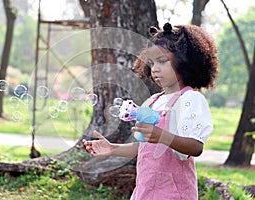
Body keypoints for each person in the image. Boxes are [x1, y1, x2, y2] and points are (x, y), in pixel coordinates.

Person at [83, 22, 219, 199]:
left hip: (173, 194)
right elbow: (145, 147)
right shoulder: (153, 101)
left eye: (162, 61)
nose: (155, 68)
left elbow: (195, 146)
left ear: (185, 62)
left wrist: (163, 136)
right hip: (145, 192)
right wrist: (112, 148)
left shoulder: (190, 99)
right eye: (152, 62)